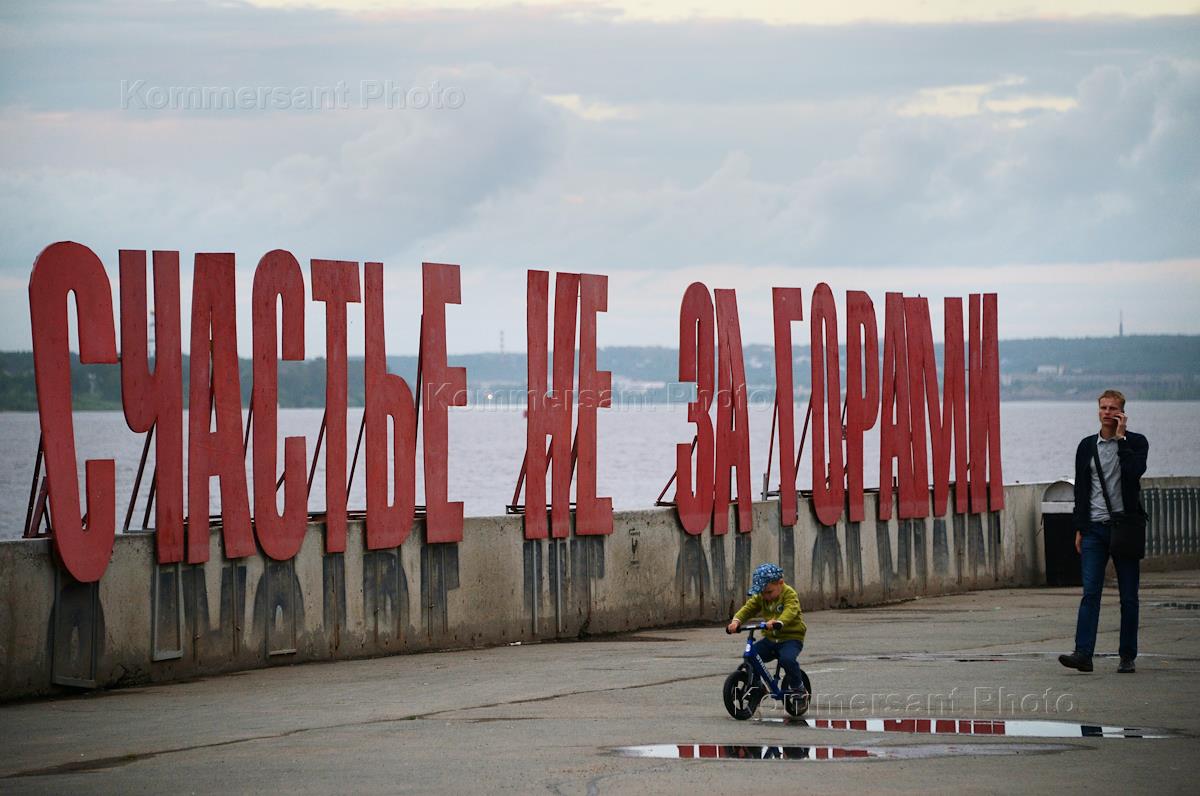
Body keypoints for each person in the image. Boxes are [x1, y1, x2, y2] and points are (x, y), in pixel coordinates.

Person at [1059, 389, 1149, 674]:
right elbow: (1082, 492)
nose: (1107, 413)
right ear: (1097, 411)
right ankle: (1083, 654)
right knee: (1091, 594)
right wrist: (1079, 528)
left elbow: (1134, 472)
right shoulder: (1086, 446)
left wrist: (1121, 439)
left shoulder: (1136, 443)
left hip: (1125, 529)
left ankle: (1127, 656)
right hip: (1094, 530)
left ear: (1122, 412)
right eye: (1103, 408)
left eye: (1113, 408)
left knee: (1128, 597)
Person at [727, 563, 807, 693]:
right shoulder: (762, 596)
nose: (766, 596)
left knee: (787, 660)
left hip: (790, 638)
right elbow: (749, 608)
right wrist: (736, 621)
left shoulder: (789, 594)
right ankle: (757, 686)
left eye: (769, 592)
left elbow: (791, 610)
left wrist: (780, 621)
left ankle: (799, 688)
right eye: (763, 593)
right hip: (771, 639)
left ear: (780, 583)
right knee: (750, 657)